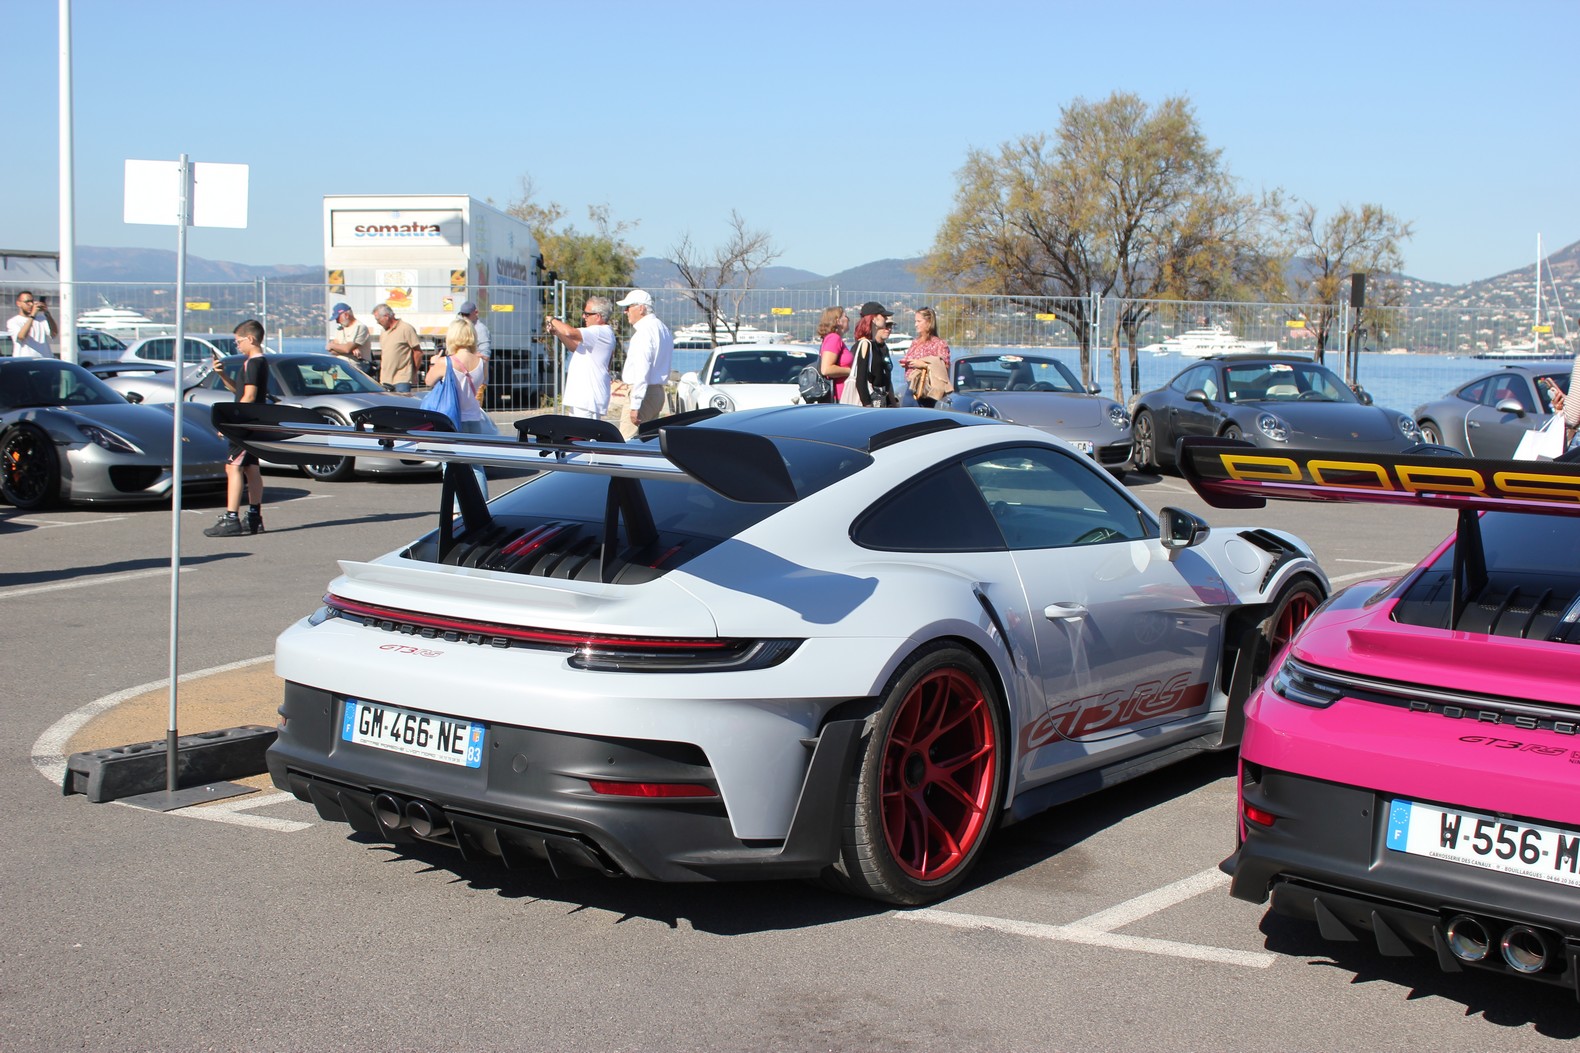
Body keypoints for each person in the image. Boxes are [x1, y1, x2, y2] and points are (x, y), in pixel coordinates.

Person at [204, 319, 269, 537]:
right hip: (254, 422)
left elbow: (249, 396)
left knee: (233, 467)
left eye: (238, 341)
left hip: (244, 423)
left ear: (250, 339)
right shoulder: (260, 363)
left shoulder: (252, 363)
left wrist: (231, 421)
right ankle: (254, 516)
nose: (237, 346)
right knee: (251, 468)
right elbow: (241, 390)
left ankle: (231, 517)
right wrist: (222, 375)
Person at [425, 317, 489, 497]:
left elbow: (428, 381)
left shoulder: (445, 362)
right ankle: (482, 505)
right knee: (476, 465)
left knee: (450, 464)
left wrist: (432, 363)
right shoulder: (481, 362)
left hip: (452, 419)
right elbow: (481, 383)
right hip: (474, 418)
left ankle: (454, 508)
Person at [613, 289, 674, 438]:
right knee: (646, 440)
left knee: (626, 441)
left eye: (628, 307)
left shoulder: (644, 332)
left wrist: (635, 405)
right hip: (656, 392)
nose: (625, 312)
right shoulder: (663, 329)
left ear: (641, 308)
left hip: (643, 393)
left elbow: (642, 370)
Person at [547, 295, 616, 420]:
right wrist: (557, 332)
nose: (584, 316)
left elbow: (570, 332)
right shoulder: (597, 334)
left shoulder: (599, 332)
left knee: (585, 438)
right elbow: (575, 347)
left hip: (588, 401)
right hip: (583, 400)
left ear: (598, 316)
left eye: (587, 314)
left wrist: (553, 320)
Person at [849, 301, 897, 408]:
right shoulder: (865, 344)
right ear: (874, 319)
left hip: (880, 400)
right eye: (883, 316)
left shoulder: (877, 346)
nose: (885, 319)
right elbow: (860, 381)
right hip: (870, 404)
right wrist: (868, 405)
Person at [902, 307, 952, 407]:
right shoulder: (916, 342)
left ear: (928, 322)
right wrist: (907, 363)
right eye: (915, 321)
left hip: (926, 392)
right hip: (911, 389)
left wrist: (923, 365)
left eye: (919, 321)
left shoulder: (939, 344)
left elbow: (943, 369)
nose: (916, 324)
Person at [371, 303, 422, 392]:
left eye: (378, 319)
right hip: (385, 380)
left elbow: (417, 352)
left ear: (386, 316)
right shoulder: (383, 332)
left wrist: (413, 372)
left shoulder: (406, 328)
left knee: (402, 404)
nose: (377, 322)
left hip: (402, 379)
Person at [816, 306, 852, 402]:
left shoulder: (832, 338)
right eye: (846, 316)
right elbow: (826, 369)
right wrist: (852, 371)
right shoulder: (834, 338)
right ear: (838, 321)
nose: (849, 319)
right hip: (839, 397)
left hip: (841, 396)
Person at [7, 291, 57, 359]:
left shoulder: (42, 319)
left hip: (44, 360)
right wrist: (32, 315)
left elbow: (53, 333)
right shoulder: (13, 321)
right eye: (27, 302)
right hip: (24, 361)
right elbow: (21, 336)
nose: (30, 304)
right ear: (18, 303)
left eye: (32, 301)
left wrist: (46, 312)